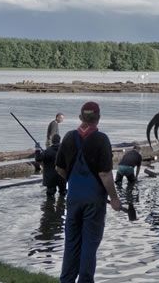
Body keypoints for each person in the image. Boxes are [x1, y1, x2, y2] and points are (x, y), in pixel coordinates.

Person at [56, 101, 121, 283]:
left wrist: (74, 181)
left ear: (80, 118)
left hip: (74, 198)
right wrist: (114, 199)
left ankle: (66, 280)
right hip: (94, 200)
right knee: (89, 245)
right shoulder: (102, 139)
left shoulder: (68, 137)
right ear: (98, 118)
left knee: (71, 243)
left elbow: (59, 169)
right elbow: (105, 174)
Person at [35, 133, 66, 198]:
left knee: (50, 196)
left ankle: (49, 207)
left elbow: (38, 159)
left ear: (52, 141)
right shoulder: (64, 150)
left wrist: (37, 149)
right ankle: (61, 206)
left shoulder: (47, 151)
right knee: (63, 193)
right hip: (62, 177)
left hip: (50, 178)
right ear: (59, 140)